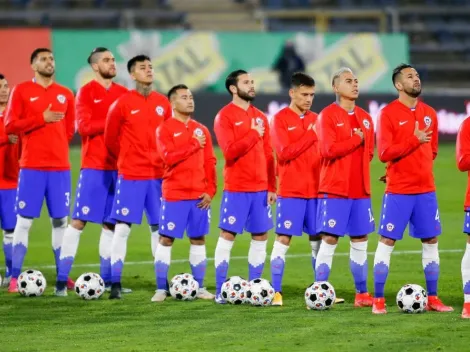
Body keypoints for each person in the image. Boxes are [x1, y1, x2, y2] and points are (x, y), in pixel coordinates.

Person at [373, 63, 453, 314]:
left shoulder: (430, 112)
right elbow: (385, 153)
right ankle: (377, 300)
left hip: (426, 190)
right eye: (410, 76)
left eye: (417, 75)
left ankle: (433, 298)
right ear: (399, 85)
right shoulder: (387, 114)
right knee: (387, 241)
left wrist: (415, 163)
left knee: (431, 240)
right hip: (399, 191)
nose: (416, 79)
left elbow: (433, 151)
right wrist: (413, 140)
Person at [54, 47, 129, 295]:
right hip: (94, 166)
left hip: (119, 167)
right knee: (78, 221)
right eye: (106, 60)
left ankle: (107, 280)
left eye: (113, 59)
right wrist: (113, 120)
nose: (112, 63)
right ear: (95, 66)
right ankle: (61, 281)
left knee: (111, 225)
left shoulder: (123, 93)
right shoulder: (86, 92)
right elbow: (84, 127)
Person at [5, 48, 75, 293]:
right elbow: (10, 125)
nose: (49, 62)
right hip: (32, 167)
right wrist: (40, 119)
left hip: (60, 169)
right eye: (44, 59)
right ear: (33, 65)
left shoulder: (66, 94)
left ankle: (62, 277)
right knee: (23, 223)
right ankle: (14, 278)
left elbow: (69, 130)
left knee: (61, 222)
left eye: (52, 58)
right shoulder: (22, 91)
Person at [104, 54, 172, 299]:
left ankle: (162, 285)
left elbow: (169, 136)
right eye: (143, 68)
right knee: (122, 229)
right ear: (132, 74)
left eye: (151, 67)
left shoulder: (163, 103)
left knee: (159, 229)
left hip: (157, 176)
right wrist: (128, 158)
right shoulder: (122, 104)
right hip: (131, 175)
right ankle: (115, 284)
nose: (149, 70)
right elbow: (110, 140)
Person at [213, 69, 276, 304]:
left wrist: (272, 185)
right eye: (246, 82)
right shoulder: (224, 117)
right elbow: (229, 152)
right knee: (228, 234)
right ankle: (220, 290)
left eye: (252, 82)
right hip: (237, 187)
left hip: (260, 188)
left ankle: (254, 289)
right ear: (233, 88)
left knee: (261, 235)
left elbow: (269, 154)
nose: (251, 85)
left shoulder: (261, 116)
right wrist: (251, 134)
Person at [315, 67, 375, 307]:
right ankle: (320, 292)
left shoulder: (367, 118)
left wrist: (359, 143)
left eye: (356, 80)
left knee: (360, 239)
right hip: (335, 188)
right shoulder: (327, 116)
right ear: (336, 87)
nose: (354, 84)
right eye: (348, 81)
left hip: (360, 190)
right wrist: (355, 140)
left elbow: (369, 153)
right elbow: (328, 150)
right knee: (330, 238)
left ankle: (362, 294)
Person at [152, 84, 216, 302]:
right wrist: (192, 144)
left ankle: (199, 287)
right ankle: (161, 288)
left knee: (198, 239)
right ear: (172, 103)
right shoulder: (165, 129)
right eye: (184, 97)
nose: (190, 100)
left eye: (191, 96)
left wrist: (210, 190)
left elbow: (210, 162)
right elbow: (168, 157)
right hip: (174, 194)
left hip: (199, 195)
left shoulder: (202, 130)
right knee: (166, 239)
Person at [268, 72, 321, 306]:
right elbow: (284, 153)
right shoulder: (279, 119)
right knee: (283, 239)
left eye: (311, 95)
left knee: (319, 240)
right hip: (292, 191)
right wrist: (310, 135)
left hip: (318, 191)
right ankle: (276, 291)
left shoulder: (318, 119)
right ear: (292, 93)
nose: (309, 99)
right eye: (304, 94)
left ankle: (321, 290)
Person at [0, 74, 20, 288]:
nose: (4, 90)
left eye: (6, 85)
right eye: (0, 87)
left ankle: (10, 272)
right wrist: (6, 138)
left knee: (10, 230)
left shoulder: (14, 115)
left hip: (11, 183)